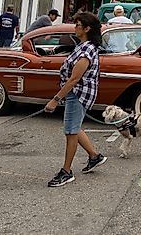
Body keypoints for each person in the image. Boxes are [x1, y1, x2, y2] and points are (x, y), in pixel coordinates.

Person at [44, 12, 107, 187]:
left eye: (77, 25)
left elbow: (74, 78)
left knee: (71, 132)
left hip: (78, 93)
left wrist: (55, 99)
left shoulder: (87, 49)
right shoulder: (84, 46)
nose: (75, 27)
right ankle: (94, 156)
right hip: (79, 93)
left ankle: (66, 171)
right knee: (74, 127)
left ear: (86, 28)